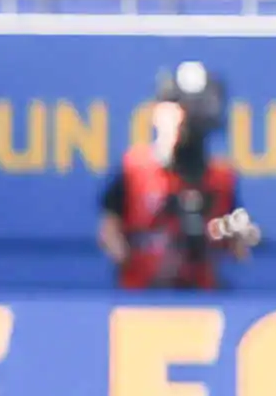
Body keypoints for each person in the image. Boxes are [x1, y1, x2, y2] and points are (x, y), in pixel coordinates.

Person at [100, 60, 261, 292]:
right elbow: (109, 228)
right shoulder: (134, 168)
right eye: (179, 107)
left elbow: (237, 247)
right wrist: (129, 256)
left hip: (200, 295)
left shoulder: (221, 178)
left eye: (194, 109)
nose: (187, 119)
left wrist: (231, 236)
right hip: (140, 295)